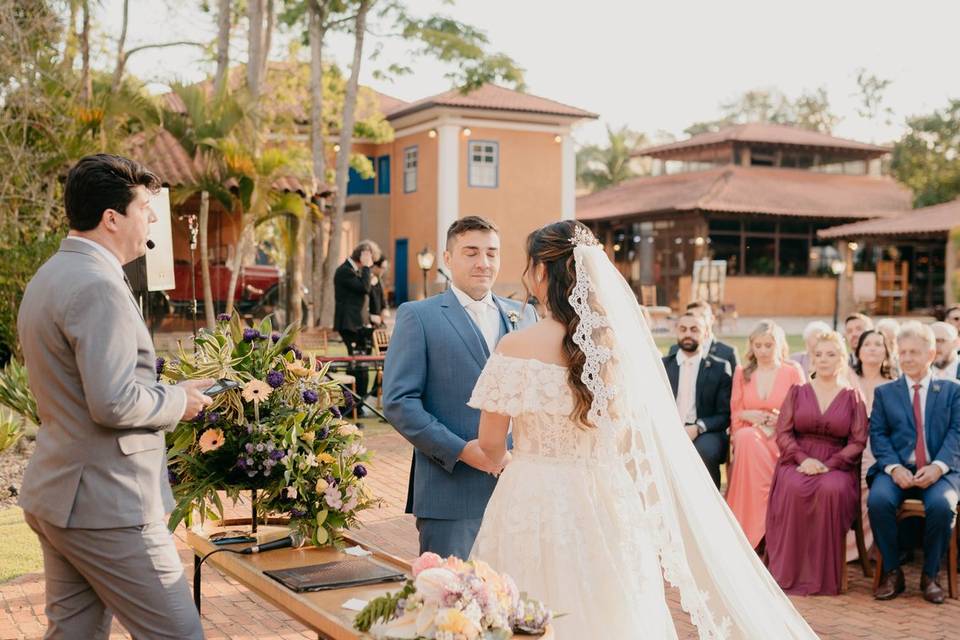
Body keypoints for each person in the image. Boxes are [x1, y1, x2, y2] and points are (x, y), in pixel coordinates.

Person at [466, 221, 817, 638]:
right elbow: (630, 438)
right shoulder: (615, 350)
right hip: (604, 495)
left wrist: (489, 454)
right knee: (611, 607)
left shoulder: (515, 347)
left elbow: (489, 446)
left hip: (533, 494)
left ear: (542, 272)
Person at [16, 154, 213, 639]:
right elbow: (114, 401)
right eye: (145, 207)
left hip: (62, 495)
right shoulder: (98, 285)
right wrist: (177, 401)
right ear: (111, 218)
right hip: (111, 505)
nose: (150, 218)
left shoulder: (50, 277)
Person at [382, 216, 537, 558]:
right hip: (450, 491)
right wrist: (463, 451)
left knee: (517, 605)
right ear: (448, 259)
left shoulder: (525, 316)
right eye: (471, 252)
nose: (483, 263)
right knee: (452, 604)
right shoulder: (418, 316)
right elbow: (398, 402)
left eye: (491, 253)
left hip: (518, 489)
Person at [765, 331, 868, 595]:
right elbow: (784, 432)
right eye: (818, 355)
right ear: (812, 359)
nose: (823, 360)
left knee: (830, 490)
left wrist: (830, 464)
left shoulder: (853, 396)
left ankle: (821, 575)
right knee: (794, 487)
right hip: (797, 459)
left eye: (831, 354)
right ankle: (788, 572)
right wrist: (803, 459)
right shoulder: (798, 392)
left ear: (842, 359)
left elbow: (857, 441)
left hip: (837, 465)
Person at [868, 322, 960, 604]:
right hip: (897, 469)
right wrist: (894, 468)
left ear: (930, 354)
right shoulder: (885, 393)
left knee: (943, 506)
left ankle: (931, 575)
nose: (906, 358)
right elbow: (879, 435)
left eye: (914, 352)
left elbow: (957, 432)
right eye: (902, 352)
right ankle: (893, 572)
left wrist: (938, 467)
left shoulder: (952, 391)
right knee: (878, 501)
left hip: (940, 471)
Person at [725, 320, 805, 548]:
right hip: (750, 435)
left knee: (748, 442)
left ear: (779, 345)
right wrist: (750, 416)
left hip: (783, 438)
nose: (762, 351)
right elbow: (735, 412)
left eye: (768, 345)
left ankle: (767, 527)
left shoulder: (792, 371)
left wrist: (781, 419)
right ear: (751, 346)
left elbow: (804, 410)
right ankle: (754, 529)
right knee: (745, 439)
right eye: (758, 345)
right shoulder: (742, 373)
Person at [662, 312, 732, 488]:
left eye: (694, 329)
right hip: (668, 427)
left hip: (705, 431)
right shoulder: (662, 366)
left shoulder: (720, 368)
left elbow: (724, 415)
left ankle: (709, 506)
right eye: (683, 329)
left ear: (706, 334)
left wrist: (698, 427)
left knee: (705, 451)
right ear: (676, 331)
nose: (688, 334)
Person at [846, 329, 896, 561]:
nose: (873, 348)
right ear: (858, 351)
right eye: (868, 344)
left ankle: (869, 547)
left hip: (879, 445)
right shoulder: (846, 377)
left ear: (887, 351)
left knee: (871, 471)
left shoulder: (893, 384)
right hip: (845, 441)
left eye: (879, 344)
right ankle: (843, 546)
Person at [333, 240, 379, 409]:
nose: (371, 260)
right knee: (355, 365)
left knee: (362, 365)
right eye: (369, 256)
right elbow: (364, 288)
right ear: (362, 255)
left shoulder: (355, 271)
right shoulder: (344, 271)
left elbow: (370, 289)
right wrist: (367, 268)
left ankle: (358, 405)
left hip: (360, 324)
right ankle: (352, 406)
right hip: (348, 324)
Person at [668, 300, 739, 371]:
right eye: (691, 316)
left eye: (701, 316)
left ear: (712, 319)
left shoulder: (728, 352)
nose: (696, 320)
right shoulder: (675, 350)